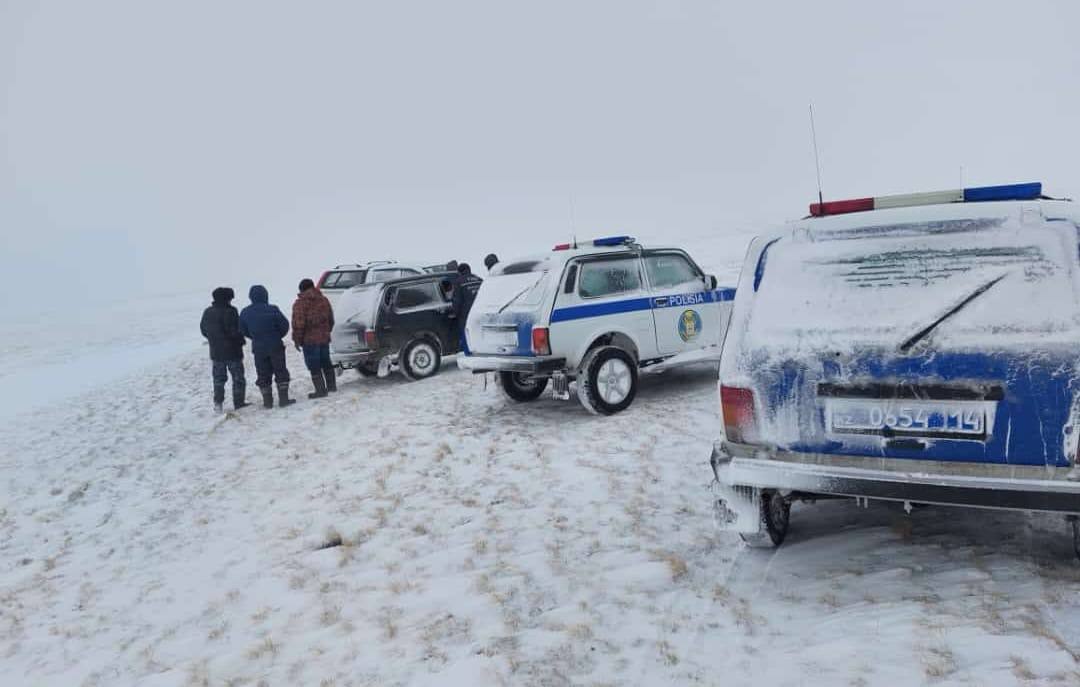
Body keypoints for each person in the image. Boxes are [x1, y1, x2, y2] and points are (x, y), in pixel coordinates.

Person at [239, 285, 295, 408]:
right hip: (275, 344)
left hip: (259, 347)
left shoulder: (245, 312)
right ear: (265, 295)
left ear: (251, 297)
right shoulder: (273, 309)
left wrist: (255, 336)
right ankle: (284, 399)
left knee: (263, 373)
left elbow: (243, 330)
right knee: (280, 371)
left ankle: (267, 402)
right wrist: (276, 335)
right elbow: (284, 326)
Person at [199, 287, 248, 412]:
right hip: (233, 352)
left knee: (218, 379)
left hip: (216, 352)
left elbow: (204, 330)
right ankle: (239, 402)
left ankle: (218, 403)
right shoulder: (231, 311)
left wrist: (213, 339)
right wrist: (241, 341)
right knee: (238, 378)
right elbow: (235, 331)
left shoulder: (207, 312)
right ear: (228, 298)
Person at [292, 278, 337, 399]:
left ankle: (321, 391)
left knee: (314, 365)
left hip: (310, 341)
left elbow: (299, 325)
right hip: (324, 338)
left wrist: (297, 340)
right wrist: (326, 331)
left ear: (301, 290)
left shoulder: (300, 304)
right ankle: (332, 387)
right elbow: (331, 319)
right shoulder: (324, 300)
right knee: (326, 362)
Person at [451, 263, 483, 352]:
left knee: (467, 335)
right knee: (480, 334)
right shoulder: (479, 280)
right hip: (480, 312)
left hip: (466, 314)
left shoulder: (458, 282)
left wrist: (455, 313)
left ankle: (468, 353)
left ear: (459, 272)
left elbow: (457, 300)